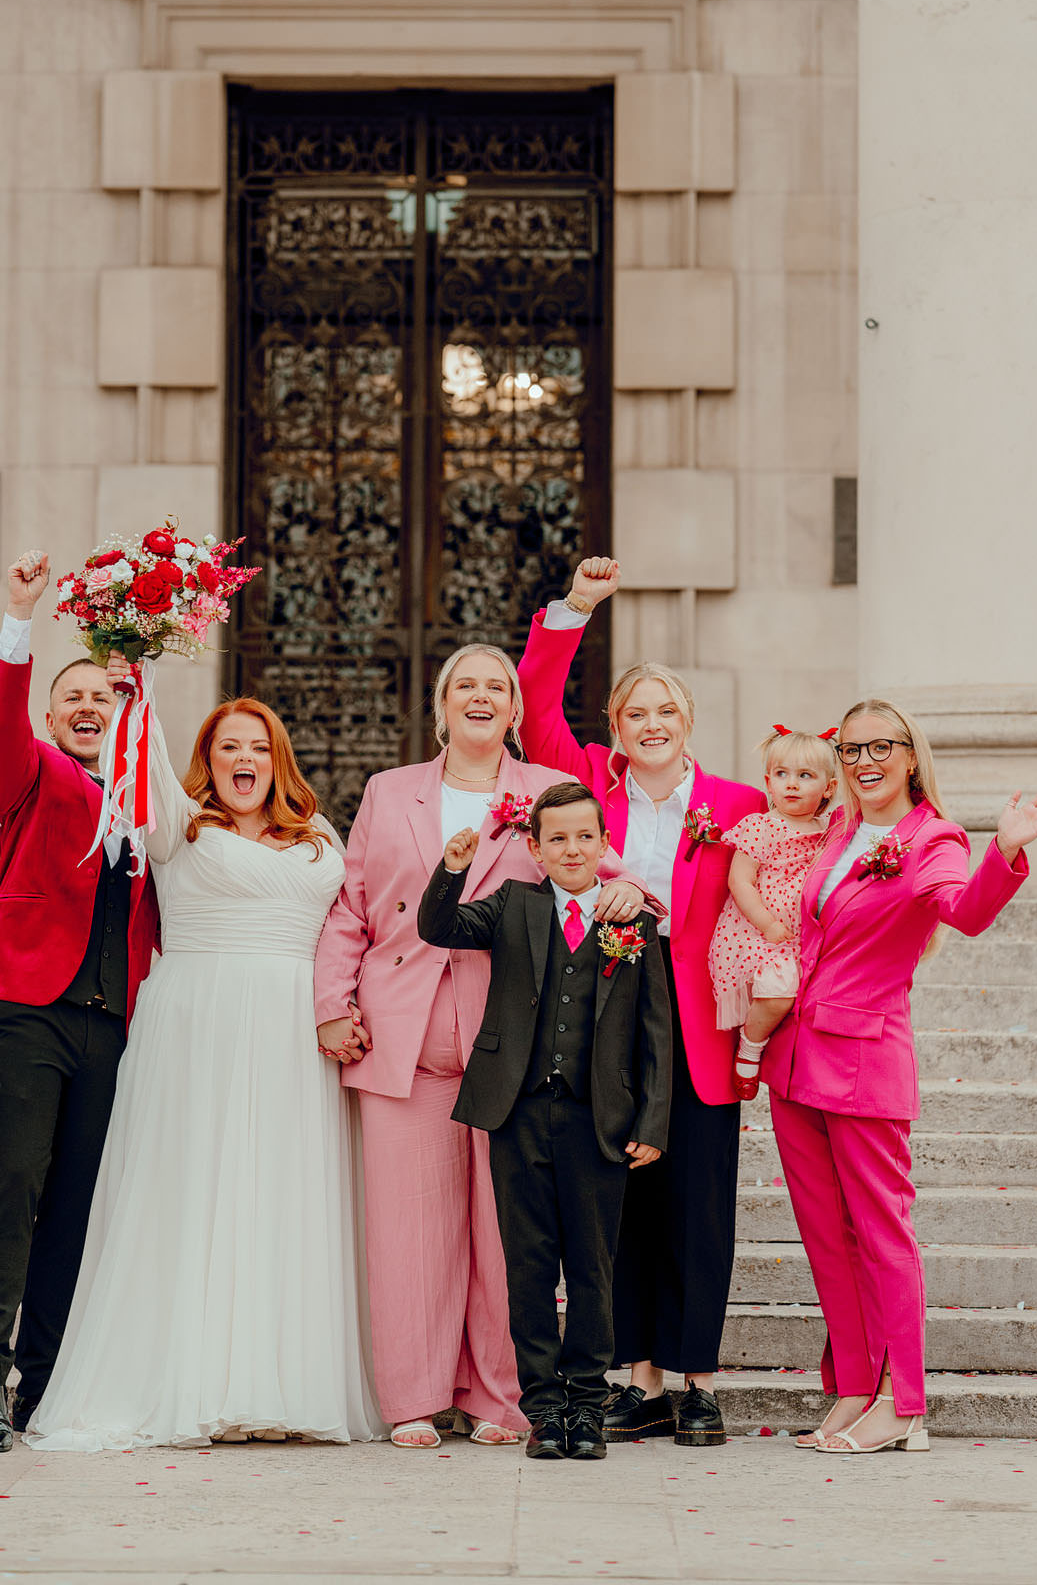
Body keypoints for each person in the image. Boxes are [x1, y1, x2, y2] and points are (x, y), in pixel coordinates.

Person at [314, 642, 648, 1449]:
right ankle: (415, 1398)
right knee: (409, 1230)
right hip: (406, 1037)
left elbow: (602, 868)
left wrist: (637, 892)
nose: (481, 695)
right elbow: (351, 906)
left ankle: (501, 1396)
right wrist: (332, 1004)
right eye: (464, 683)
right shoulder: (390, 792)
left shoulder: (542, 792)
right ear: (441, 704)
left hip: (521, 1050)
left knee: (511, 1238)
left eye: (496, 686)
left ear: (515, 709)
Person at [29, 697, 380, 1450]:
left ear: (277, 758)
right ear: (208, 759)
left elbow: (353, 929)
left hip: (295, 1032)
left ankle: (283, 1385)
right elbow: (145, 750)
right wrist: (137, 667)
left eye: (258, 746)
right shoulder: (176, 825)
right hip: (201, 1025)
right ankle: (197, 1381)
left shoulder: (318, 836)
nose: (244, 759)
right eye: (229, 747)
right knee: (199, 1192)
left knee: (283, 1197)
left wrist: (347, 1007)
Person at [764, 700, 1037, 1455]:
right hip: (798, 1058)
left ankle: (905, 1406)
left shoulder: (934, 837)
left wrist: (1007, 851)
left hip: (865, 1059)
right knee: (827, 1240)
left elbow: (960, 913)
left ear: (909, 754)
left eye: (882, 747)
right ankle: (855, 1389)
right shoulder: (837, 831)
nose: (865, 760)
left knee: (880, 1234)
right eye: (854, 747)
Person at [516, 555, 765, 1445]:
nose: (651, 725)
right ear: (615, 729)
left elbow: (770, 914)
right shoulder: (588, 786)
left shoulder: (740, 803)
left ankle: (697, 1382)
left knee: (699, 1209)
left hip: (699, 1021)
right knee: (620, 1207)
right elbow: (536, 704)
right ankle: (641, 1378)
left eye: (666, 711)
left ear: (688, 723)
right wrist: (576, 607)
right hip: (603, 1027)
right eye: (635, 713)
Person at [0, 550, 161, 1452]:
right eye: (73, 698)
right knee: (15, 1179)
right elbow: (0, 721)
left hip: (112, 1022)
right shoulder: (31, 777)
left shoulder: (146, 802)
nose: (90, 708)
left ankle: (45, 1379)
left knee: (77, 1198)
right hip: (29, 1009)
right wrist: (19, 615)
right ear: (53, 714)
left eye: (105, 699)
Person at [418, 781, 671, 1463]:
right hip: (518, 1112)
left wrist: (652, 1118)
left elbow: (657, 1032)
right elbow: (438, 927)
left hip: (601, 1121)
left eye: (584, 836)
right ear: (534, 848)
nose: (571, 848)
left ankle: (587, 1405)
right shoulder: (514, 906)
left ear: (603, 844)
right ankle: (543, 1410)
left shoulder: (633, 923)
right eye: (556, 838)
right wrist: (452, 868)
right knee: (527, 1267)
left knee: (592, 1266)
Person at [707, 727, 837, 1098]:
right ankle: (750, 1047)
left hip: (803, 936)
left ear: (828, 788)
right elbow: (740, 881)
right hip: (759, 931)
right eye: (782, 774)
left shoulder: (828, 832)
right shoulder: (761, 827)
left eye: (805, 776)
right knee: (779, 994)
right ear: (768, 781)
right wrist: (766, 923)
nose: (791, 785)